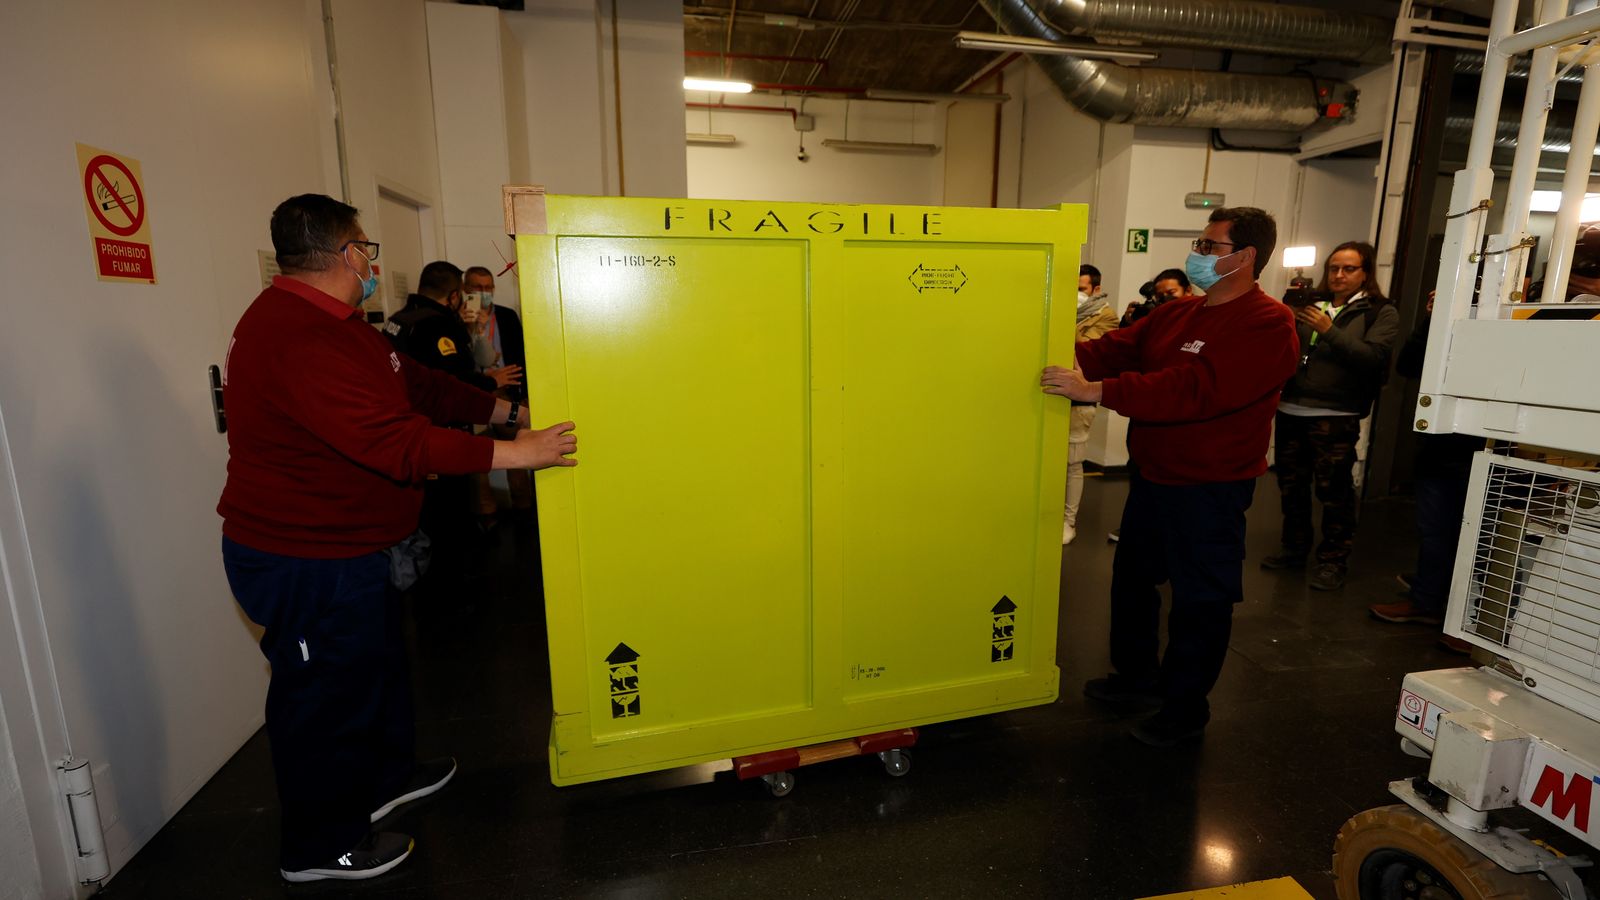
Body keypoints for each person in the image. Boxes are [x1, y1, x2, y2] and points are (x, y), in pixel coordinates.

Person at [217, 194, 577, 882]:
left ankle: (383, 782)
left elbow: (418, 388)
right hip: (302, 556)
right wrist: (514, 452)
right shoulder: (292, 334)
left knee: (373, 673)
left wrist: (509, 409)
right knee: (320, 702)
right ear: (346, 253)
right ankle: (321, 848)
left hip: (351, 549)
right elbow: (393, 442)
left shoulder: (342, 324)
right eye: (366, 247)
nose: (372, 261)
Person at [1042, 207, 1298, 747]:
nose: (1197, 257)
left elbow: (1198, 388)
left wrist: (1099, 392)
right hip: (1154, 476)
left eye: (1210, 249)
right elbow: (1110, 350)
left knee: (1200, 598)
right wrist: (1038, 347)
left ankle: (1185, 708)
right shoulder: (1177, 314)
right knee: (1134, 581)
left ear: (1246, 257)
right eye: (1198, 246)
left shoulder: (1268, 324)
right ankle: (1135, 678)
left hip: (1211, 486)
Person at [1261, 242, 1399, 591]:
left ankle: (1333, 561)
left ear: (1366, 272)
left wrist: (1329, 330)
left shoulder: (1379, 311)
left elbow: (1373, 359)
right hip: (1291, 406)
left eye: (1349, 269)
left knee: (1333, 490)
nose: (1338, 275)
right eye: (1334, 267)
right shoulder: (1311, 303)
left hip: (1336, 413)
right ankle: (1294, 550)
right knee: (1290, 487)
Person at [387, 262, 523, 582]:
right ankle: (456, 585)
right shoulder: (438, 326)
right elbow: (452, 385)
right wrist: (490, 384)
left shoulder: (398, 321)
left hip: (408, 433)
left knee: (425, 519)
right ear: (453, 295)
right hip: (438, 434)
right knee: (449, 524)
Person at [1366, 294, 1479, 656]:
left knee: (1479, 540)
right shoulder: (1448, 323)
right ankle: (1426, 602)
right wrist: (1435, 317)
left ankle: (1471, 622)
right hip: (1442, 445)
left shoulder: (1521, 321)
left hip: (1491, 450)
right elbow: (1410, 364)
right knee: (1434, 532)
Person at [460, 265, 534, 524]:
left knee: (518, 456)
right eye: (477, 287)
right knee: (478, 461)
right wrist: (470, 328)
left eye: (488, 287)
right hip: (474, 392)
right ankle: (487, 518)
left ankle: (525, 513)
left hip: (508, 393)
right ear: (464, 289)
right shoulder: (457, 320)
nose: (483, 292)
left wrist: (524, 394)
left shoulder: (506, 315)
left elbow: (523, 353)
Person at [1063, 281, 1120, 544]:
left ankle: (1068, 520)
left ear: (1096, 289)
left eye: (1083, 287)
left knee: (1073, 462)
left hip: (1080, 401)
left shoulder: (1104, 316)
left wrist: (1065, 322)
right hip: (1054, 393)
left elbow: (1091, 352)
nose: (1078, 292)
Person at [1120, 268, 1191, 328]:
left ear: (1188, 290)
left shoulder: (1198, 313)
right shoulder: (1158, 315)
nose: (1166, 298)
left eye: (1171, 292)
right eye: (1160, 295)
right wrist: (1128, 323)